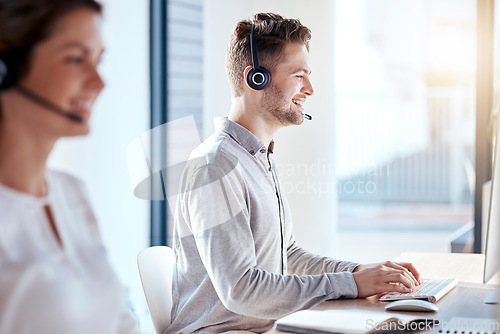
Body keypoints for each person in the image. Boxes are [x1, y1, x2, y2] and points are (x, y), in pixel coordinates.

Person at [169, 13, 423, 333]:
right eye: (299, 75)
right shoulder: (215, 166)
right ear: (256, 79)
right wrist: (351, 282)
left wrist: (362, 272)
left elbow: (287, 255)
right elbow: (241, 289)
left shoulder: (258, 158)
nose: (311, 89)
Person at [0, 1, 139, 333]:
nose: (99, 83)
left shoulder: (71, 192)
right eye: (76, 59)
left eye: (98, 60)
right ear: (5, 68)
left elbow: (121, 323)